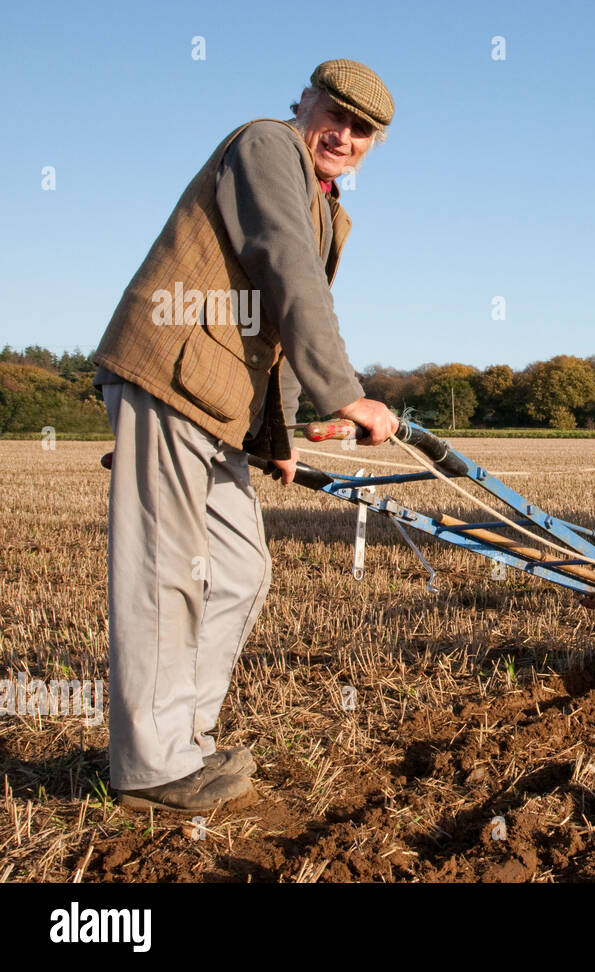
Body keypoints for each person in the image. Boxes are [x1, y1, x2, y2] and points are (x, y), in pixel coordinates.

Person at [92, 59, 400, 811]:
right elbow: (285, 268)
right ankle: (153, 770)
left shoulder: (329, 205)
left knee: (237, 569)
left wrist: (280, 438)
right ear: (305, 102)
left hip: (218, 397)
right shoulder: (268, 146)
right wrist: (345, 392)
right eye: (336, 114)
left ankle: (183, 741)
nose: (346, 135)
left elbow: (272, 321)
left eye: (363, 131)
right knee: (166, 571)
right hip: (167, 374)